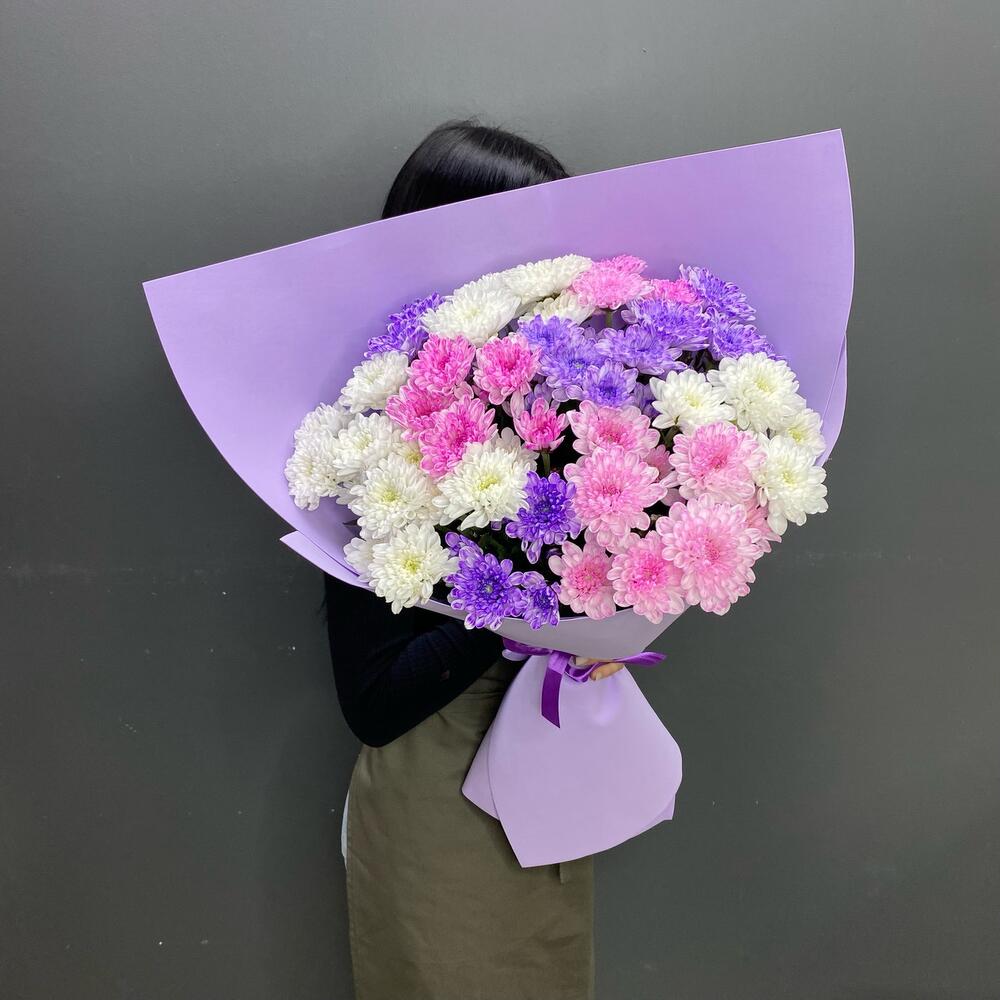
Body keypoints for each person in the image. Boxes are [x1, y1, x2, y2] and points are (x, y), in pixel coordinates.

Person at [326, 120, 624, 1000]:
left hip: (547, 785)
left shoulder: (562, 412)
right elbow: (376, 703)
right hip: (436, 799)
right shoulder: (380, 436)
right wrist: (523, 593)